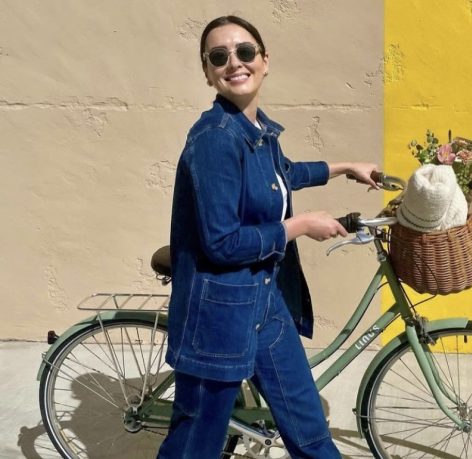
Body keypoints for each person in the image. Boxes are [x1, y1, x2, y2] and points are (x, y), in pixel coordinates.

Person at [156, 15, 379, 459]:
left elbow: (284, 174)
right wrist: (299, 226)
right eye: (218, 57)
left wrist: (344, 167)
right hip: (218, 314)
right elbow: (221, 244)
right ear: (206, 71)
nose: (234, 63)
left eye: (244, 51)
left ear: (264, 59)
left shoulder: (257, 131)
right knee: (195, 443)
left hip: (263, 297)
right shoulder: (215, 139)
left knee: (308, 426)